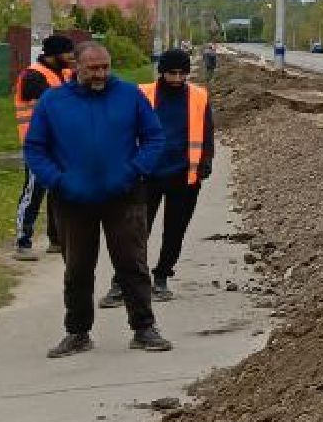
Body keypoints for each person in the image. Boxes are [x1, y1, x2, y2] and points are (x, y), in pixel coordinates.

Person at [22, 41, 172, 357]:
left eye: (105, 67)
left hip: (124, 195)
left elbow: (154, 138)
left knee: (132, 264)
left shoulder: (129, 95)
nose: (100, 74)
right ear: (76, 67)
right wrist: (57, 181)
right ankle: (77, 332)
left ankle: (144, 328)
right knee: (77, 268)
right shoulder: (53, 101)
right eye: (93, 68)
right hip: (73, 199)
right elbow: (35, 148)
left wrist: (135, 171)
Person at [109, 49, 211, 304]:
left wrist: (205, 163)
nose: (177, 79)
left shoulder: (199, 96)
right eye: (171, 73)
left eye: (182, 73)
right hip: (146, 176)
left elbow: (207, 132)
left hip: (184, 176)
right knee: (135, 232)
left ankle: (162, 275)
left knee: (175, 231)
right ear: (162, 72)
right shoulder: (142, 94)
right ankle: (122, 281)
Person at [10, 34, 75, 261]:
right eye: (68, 52)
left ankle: (56, 240)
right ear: (54, 54)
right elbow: (56, 103)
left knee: (58, 192)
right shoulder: (33, 76)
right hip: (37, 145)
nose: (72, 56)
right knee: (34, 192)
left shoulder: (64, 73)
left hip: (59, 144)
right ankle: (22, 242)